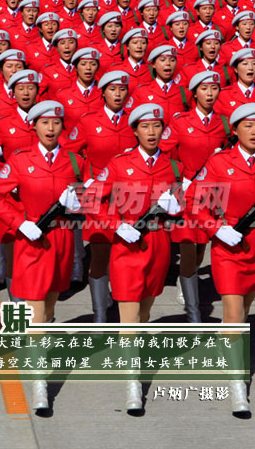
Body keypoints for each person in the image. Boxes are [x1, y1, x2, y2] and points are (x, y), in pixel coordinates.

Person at [0, 100, 86, 412]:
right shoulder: (19, 160)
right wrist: (19, 221)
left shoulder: (74, 160)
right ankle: (39, 384)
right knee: (37, 306)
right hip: (32, 240)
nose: (51, 128)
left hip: (62, 239)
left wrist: (80, 200)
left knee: (51, 303)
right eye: (44, 123)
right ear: (34, 126)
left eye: (56, 123)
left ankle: (34, 342)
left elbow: (87, 195)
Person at [97, 103, 183, 412]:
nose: (151, 132)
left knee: (145, 311)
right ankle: (133, 385)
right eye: (145, 127)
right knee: (130, 317)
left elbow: (184, 204)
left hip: (159, 244)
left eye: (157, 127)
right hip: (127, 246)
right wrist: (116, 225)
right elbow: (94, 200)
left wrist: (177, 206)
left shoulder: (173, 167)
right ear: (134, 130)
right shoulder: (120, 164)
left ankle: (129, 349)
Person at [186, 102, 255, 414]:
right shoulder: (219, 163)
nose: (254, 131)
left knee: (244, 309)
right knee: (233, 311)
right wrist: (217, 228)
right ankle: (237, 384)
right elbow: (196, 203)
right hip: (230, 247)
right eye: (248, 125)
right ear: (236, 129)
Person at [63, 71, 136, 322]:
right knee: (100, 256)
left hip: (131, 200)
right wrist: (85, 177)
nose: (118, 94)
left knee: (127, 255)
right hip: (100, 199)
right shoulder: (88, 122)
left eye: (123, 90)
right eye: (113, 89)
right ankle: (100, 315)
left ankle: (124, 304)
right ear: (102, 92)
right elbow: (69, 154)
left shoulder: (135, 122)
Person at [160, 71, 232, 323]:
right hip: (187, 190)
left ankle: (188, 276)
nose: (210, 94)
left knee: (203, 244)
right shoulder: (181, 122)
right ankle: (189, 293)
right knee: (188, 243)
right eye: (204, 89)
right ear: (194, 93)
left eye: (214, 89)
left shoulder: (224, 123)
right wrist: (177, 179)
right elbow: (164, 154)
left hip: (213, 192)